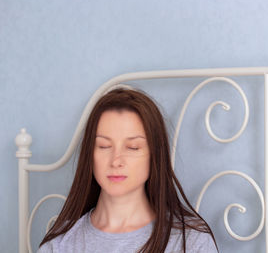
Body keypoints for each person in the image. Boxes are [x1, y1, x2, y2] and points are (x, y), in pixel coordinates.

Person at [38, 87, 218, 253]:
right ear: (89, 154)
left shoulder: (191, 242)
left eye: (132, 147)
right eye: (104, 146)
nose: (116, 161)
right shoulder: (59, 245)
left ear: (155, 155)